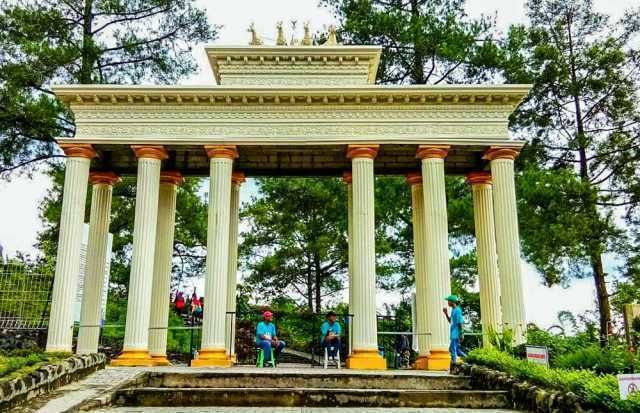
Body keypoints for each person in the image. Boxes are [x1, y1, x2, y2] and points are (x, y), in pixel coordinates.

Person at [443, 294, 467, 371]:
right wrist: (446, 313)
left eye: (448, 301)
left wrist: (461, 334)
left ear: (452, 301)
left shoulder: (458, 310)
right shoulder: (453, 310)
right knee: (456, 350)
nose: (447, 302)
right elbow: (450, 321)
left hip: (456, 333)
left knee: (453, 349)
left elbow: (460, 323)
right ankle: (469, 359)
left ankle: (454, 365)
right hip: (453, 332)